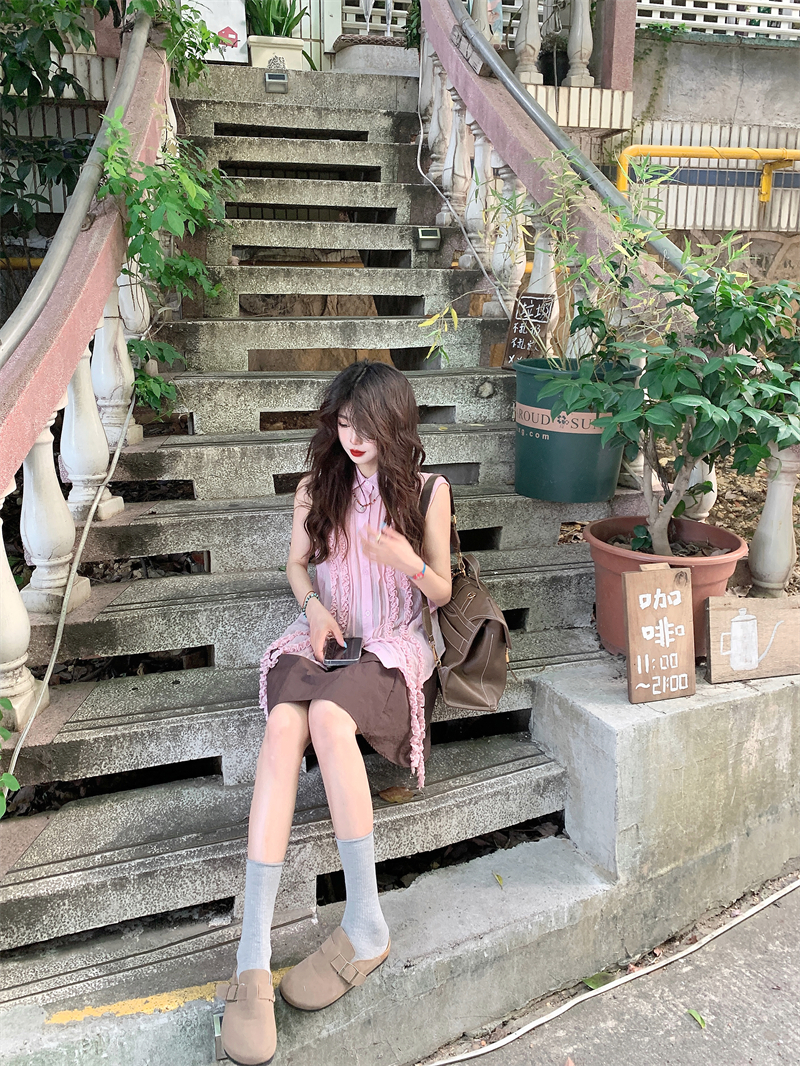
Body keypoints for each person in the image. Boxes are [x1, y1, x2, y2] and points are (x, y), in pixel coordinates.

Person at [219, 360, 453, 1066]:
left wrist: (407, 560)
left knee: (324, 719)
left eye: (367, 426)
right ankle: (252, 954)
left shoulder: (427, 492)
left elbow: (441, 592)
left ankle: (366, 922)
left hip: (390, 646)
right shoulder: (316, 487)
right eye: (344, 423)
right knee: (284, 722)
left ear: (394, 425)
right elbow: (298, 566)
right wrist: (315, 608)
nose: (353, 439)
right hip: (327, 638)